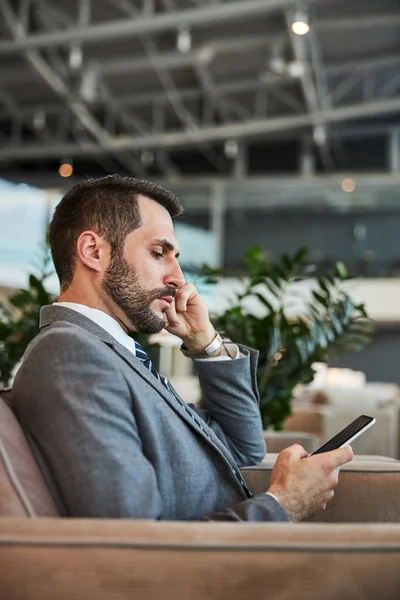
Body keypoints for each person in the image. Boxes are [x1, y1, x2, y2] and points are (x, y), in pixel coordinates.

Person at [12, 175, 352, 522]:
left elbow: (244, 449)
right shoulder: (71, 355)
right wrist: (284, 504)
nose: (178, 278)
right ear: (93, 252)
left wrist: (205, 343)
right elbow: (133, 538)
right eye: (159, 253)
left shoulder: (113, 351)